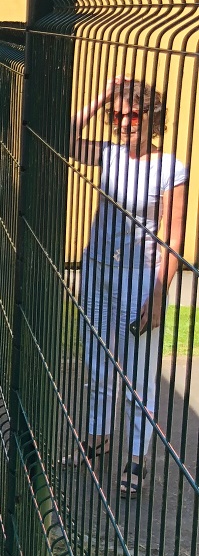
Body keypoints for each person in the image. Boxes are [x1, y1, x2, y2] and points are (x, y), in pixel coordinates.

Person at [69, 77, 187, 498]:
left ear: (152, 117)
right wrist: (102, 97)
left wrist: (158, 294)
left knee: (138, 376)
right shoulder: (110, 154)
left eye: (131, 115)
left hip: (141, 277)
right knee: (98, 365)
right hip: (97, 271)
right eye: (116, 116)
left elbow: (174, 236)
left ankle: (136, 458)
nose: (122, 123)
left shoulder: (171, 168)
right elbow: (63, 136)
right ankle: (98, 438)